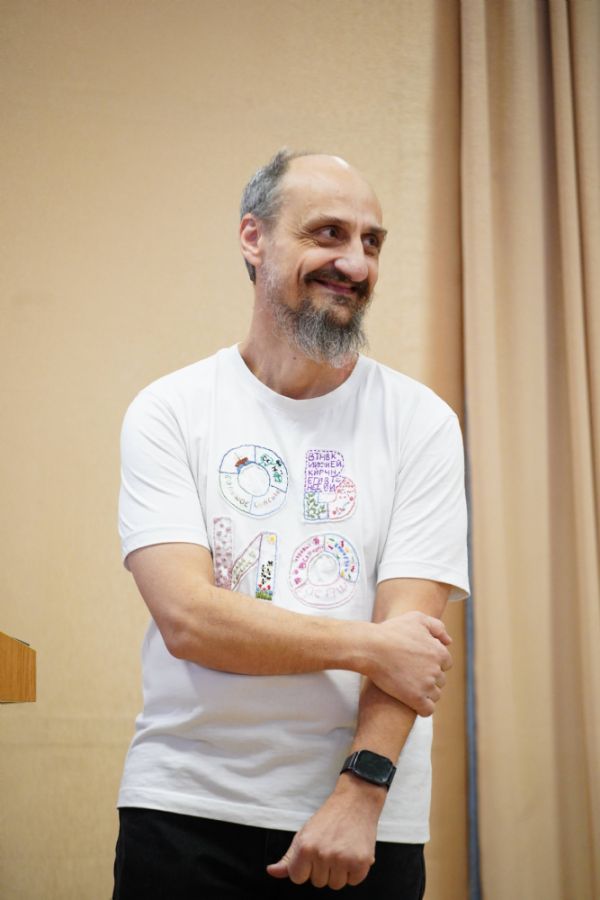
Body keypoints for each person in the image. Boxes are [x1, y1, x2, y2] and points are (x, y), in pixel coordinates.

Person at [113, 149, 469, 899]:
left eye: (371, 242)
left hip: (364, 823)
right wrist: (371, 646)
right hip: (186, 806)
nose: (356, 263)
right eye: (328, 233)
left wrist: (360, 793)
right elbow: (189, 620)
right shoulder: (170, 410)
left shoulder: (422, 422)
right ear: (254, 238)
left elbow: (414, 640)